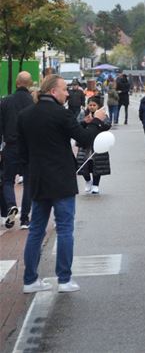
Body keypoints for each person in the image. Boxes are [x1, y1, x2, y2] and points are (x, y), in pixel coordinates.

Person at [17, 75, 108, 293]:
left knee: (36, 230)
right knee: (65, 228)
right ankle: (64, 279)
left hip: (38, 178)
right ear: (53, 91)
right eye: (64, 89)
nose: (68, 93)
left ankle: (30, 280)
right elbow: (84, 139)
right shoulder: (62, 113)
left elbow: (23, 152)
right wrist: (96, 120)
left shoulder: (25, 115)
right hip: (62, 179)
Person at [0, 72, 34, 228]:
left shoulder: (5, 102)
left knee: (7, 180)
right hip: (29, 147)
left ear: (16, 82)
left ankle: (11, 206)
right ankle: (25, 219)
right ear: (30, 83)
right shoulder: (34, 102)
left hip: (11, 146)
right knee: (28, 182)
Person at [76, 96, 112, 195]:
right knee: (83, 164)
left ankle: (96, 185)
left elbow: (108, 125)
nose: (91, 107)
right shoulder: (83, 114)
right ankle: (88, 181)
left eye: (94, 105)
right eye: (90, 105)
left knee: (97, 165)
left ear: (98, 106)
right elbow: (76, 125)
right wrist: (84, 122)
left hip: (98, 143)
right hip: (85, 143)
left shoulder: (102, 114)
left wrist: (97, 121)